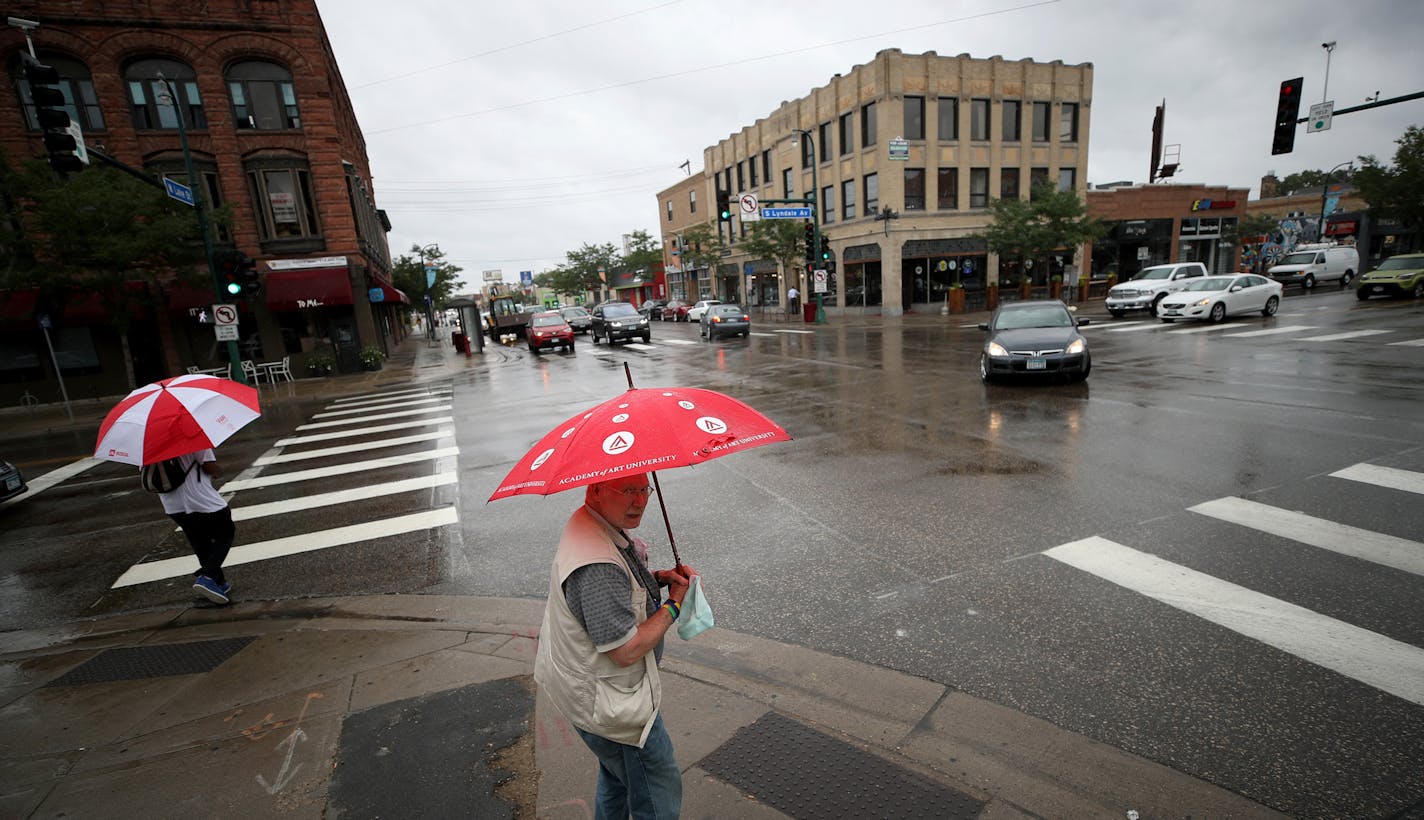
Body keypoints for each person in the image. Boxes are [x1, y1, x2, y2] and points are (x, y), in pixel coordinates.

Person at [534, 473, 694, 819]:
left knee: (619, 776)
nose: (639, 501)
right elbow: (625, 650)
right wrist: (673, 605)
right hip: (613, 704)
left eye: (643, 490)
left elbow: (609, 602)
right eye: (628, 491)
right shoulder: (597, 565)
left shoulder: (592, 522)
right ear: (595, 490)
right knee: (657, 784)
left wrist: (659, 580)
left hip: (589, 692)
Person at [157, 449, 235, 604]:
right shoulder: (193, 438)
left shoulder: (147, 448)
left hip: (173, 505)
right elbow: (209, 467)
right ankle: (208, 576)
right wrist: (219, 470)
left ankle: (218, 583)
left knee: (200, 541)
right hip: (201, 500)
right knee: (226, 533)